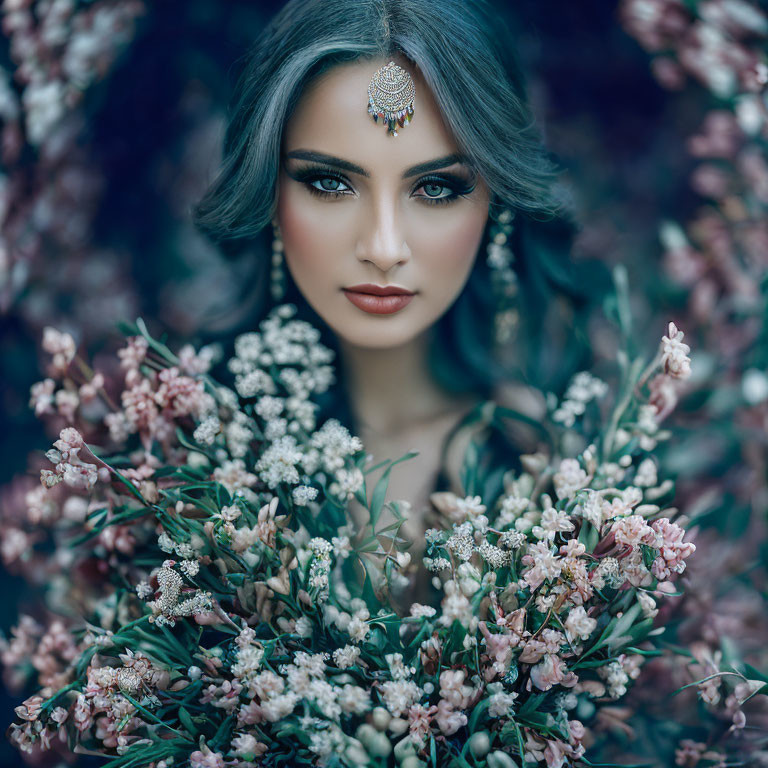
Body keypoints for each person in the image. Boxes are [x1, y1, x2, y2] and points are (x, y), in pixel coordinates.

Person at [193, 0, 603, 572]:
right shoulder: (196, 451)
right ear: (269, 199)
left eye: (435, 188)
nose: (384, 248)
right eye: (331, 183)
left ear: (496, 206)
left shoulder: (556, 469)